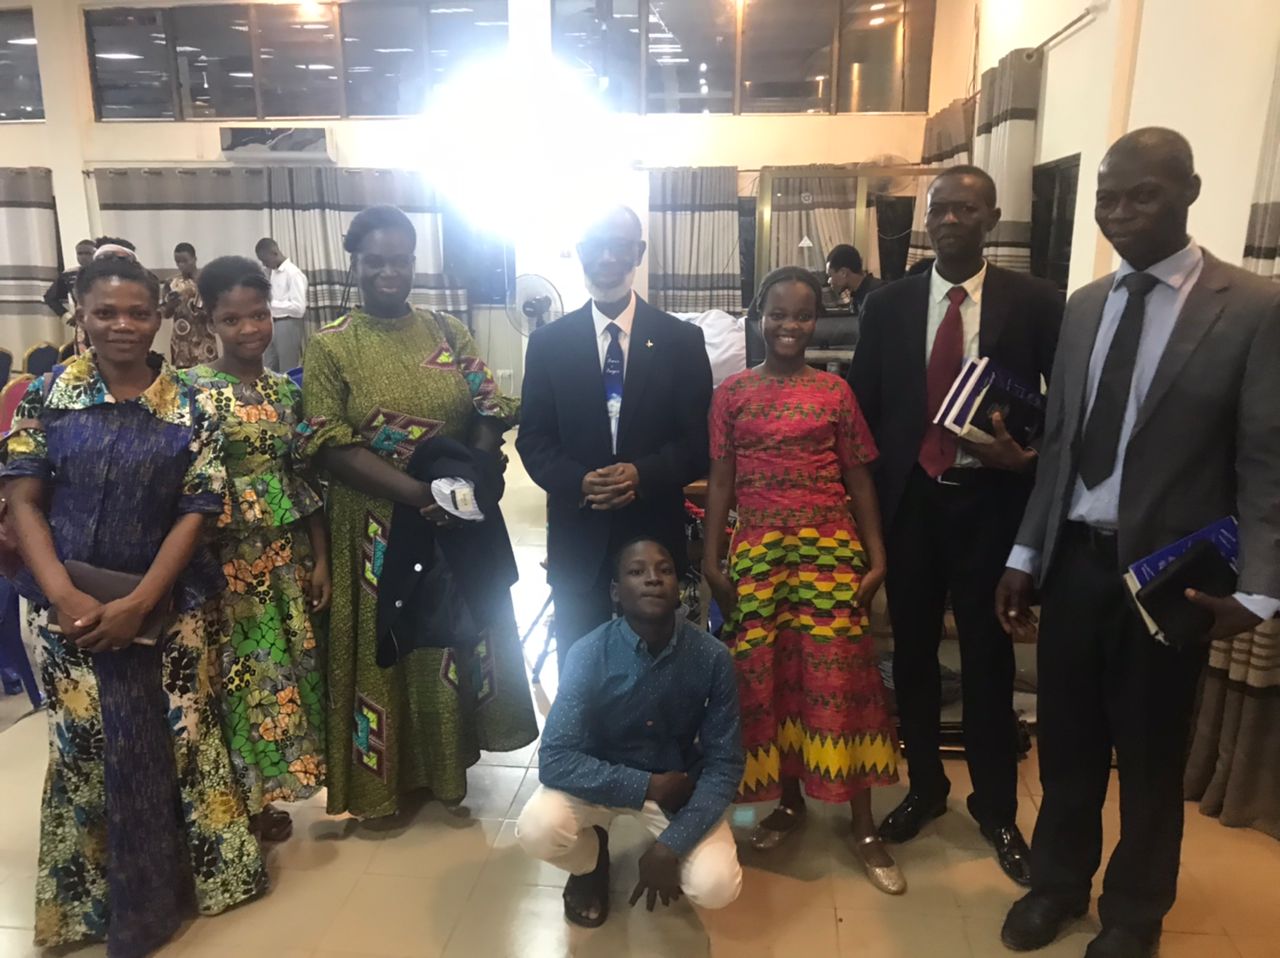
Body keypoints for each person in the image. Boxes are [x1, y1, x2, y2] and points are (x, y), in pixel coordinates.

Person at [997, 128, 1280, 958]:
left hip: (1174, 581)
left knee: (1151, 760)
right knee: (1068, 744)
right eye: (1106, 198)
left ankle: (1135, 913)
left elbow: (1267, 459)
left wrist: (1260, 591)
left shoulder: (1254, 307)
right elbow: (1058, 447)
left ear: (1189, 191)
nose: (1119, 213)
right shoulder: (1084, 305)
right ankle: (1057, 884)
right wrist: (1024, 555)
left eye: (1141, 195)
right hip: (1077, 566)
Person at [0, 256, 267, 958]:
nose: (123, 325)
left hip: (173, 611)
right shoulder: (46, 395)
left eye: (138, 312)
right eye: (106, 312)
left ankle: (195, 887)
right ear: (80, 315)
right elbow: (23, 495)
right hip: (67, 615)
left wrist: (143, 601)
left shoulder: (194, 404)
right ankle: (94, 906)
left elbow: (198, 509)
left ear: (160, 315)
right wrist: (66, 596)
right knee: (90, 749)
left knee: (182, 742)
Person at [847, 165, 1062, 887]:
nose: (949, 219)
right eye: (939, 208)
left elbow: (1061, 417)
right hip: (910, 505)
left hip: (991, 507)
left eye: (966, 208)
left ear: (992, 218)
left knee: (988, 660)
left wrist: (1023, 462)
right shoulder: (889, 303)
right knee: (910, 656)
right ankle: (926, 789)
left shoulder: (1035, 303)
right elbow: (864, 412)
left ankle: (996, 808)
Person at [297, 204, 536, 819]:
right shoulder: (330, 345)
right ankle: (384, 780)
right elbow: (327, 442)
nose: (388, 272)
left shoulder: (446, 330)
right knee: (391, 641)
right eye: (374, 261)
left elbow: (488, 406)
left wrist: (467, 483)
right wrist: (417, 496)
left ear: (412, 262)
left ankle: (444, 768)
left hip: (451, 519)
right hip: (374, 527)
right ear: (354, 263)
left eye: (399, 260)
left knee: (451, 636)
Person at [703, 266, 903, 893]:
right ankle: (789, 803)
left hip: (828, 555)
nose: (790, 326)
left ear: (818, 320)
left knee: (844, 679)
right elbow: (721, 480)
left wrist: (877, 557)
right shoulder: (731, 394)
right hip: (759, 554)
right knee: (772, 679)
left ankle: (863, 823)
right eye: (779, 314)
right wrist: (713, 559)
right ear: (758, 315)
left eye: (804, 315)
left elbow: (859, 477)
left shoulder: (835, 394)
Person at [516, 206, 713, 666]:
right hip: (577, 538)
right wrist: (581, 481)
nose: (607, 257)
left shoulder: (681, 341)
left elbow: (696, 443)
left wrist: (640, 474)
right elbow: (534, 439)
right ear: (580, 253)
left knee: (656, 666)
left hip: (653, 538)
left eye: (620, 245)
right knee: (581, 668)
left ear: (638, 252)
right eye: (595, 246)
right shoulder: (548, 344)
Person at [516, 538, 744, 927]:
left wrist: (671, 845)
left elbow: (725, 763)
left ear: (678, 585)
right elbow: (554, 760)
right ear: (616, 593)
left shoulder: (711, 657)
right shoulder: (589, 653)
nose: (653, 579)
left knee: (717, 885)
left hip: (676, 787)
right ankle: (591, 863)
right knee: (537, 829)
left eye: (665, 570)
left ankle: (669, 846)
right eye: (637, 572)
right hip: (600, 781)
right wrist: (646, 786)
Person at [185, 255, 330, 843]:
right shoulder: (191, 392)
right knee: (234, 684)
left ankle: (270, 794)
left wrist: (319, 558)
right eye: (232, 319)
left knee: (285, 679)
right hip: (222, 568)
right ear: (211, 321)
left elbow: (305, 482)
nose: (249, 330)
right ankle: (237, 800)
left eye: (259, 315)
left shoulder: (284, 391)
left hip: (284, 562)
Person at [254, 237, 308, 372]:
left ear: (274, 253)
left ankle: (289, 393)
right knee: (268, 367)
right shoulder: (272, 273)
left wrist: (271, 303)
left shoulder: (293, 274)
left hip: (288, 323)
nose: (265, 265)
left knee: (287, 368)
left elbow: (299, 308)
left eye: (265, 261)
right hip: (272, 323)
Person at [163, 243, 219, 369]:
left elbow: (217, 308)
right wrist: (171, 305)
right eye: (178, 262)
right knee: (184, 384)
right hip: (182, 344)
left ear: (194, 259)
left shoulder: (207, 281)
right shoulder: (171, 283)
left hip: (205, 341)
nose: (181, 265)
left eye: (185, 261)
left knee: (207, 383)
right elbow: (166, 314)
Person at [42, 238, 96, 319]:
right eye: (80, 254)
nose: (83, 257)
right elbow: (50, 297)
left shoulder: (108, 272)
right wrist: (66, 315)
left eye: (88, 253)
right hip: (82, 322)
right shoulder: (69, 274)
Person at [826, 243, 883, 314]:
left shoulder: (876, 296)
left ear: (843, 272)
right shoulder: (858, 296)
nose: (829, 281)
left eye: (830, 275)